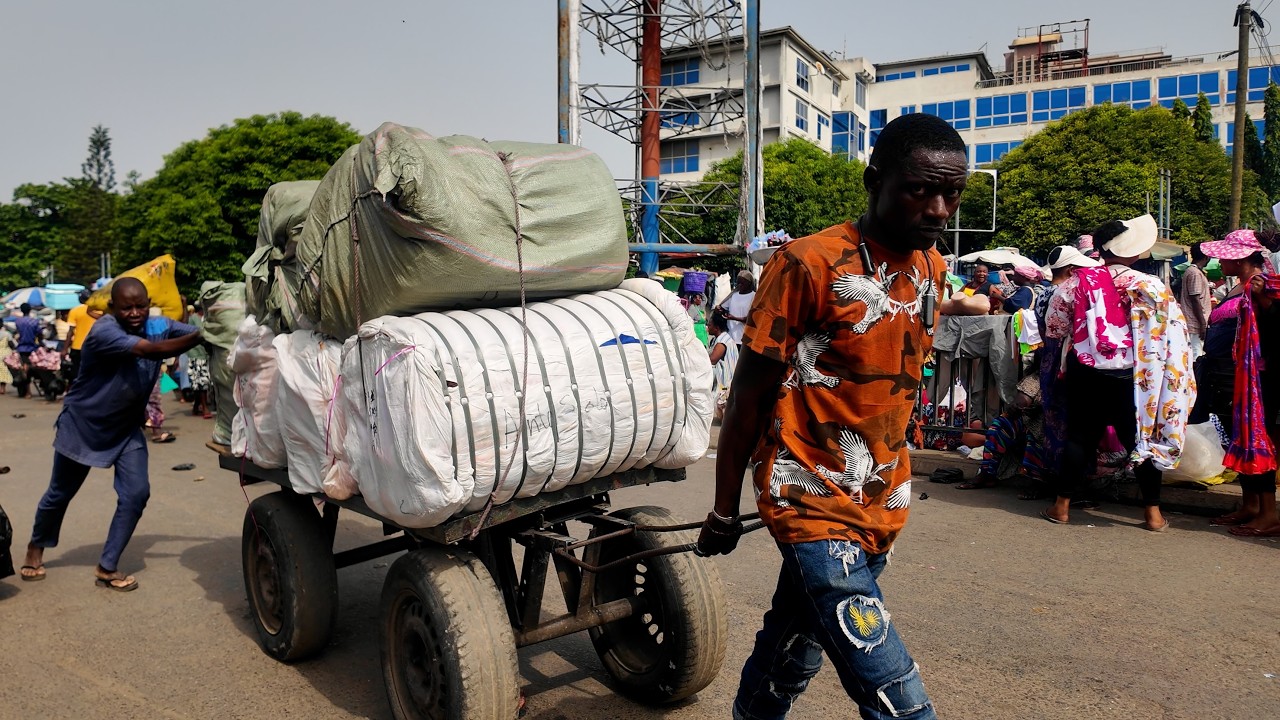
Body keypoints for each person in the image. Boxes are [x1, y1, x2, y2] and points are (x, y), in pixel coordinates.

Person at [697, 113, 962, 720]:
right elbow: (746, 397)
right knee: (895, 694)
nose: (940, 208)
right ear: (874, 181)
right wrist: (720, 507)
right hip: (809, 496)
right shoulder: (806, 265)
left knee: (796, 645)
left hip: (881, 497)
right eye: (920, 189)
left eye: (952, 193)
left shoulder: (931, 267)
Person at [20, 278, 201, 589]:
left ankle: (108, 565)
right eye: (126, 307)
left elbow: (195, 333)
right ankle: (36, 546)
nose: (135, 312)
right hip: (84, 426)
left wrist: (222, 328)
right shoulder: (105, 331)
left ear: (148, 303)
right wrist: (203, 335)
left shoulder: (157, 323)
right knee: (60, 493)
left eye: (140, 305)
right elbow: (153, 351)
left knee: (136, 494)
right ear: (113, 308)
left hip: (126, 428)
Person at [1040, 215, 1195, 531]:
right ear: (1134, 251)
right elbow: (1173, 333)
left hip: (1087, 372)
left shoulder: (1074, 283)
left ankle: (1062, 506)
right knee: (1141, 441)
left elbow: (1054, 329)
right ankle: (1152, 514)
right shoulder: (1150, 285)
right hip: (1136, 378)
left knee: (1080, 437)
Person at [1193, 230, 1280, 536]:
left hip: (1255, 380)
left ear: (1241, 258)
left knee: (1259, 439)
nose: (1218, 260)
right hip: (1230, 377)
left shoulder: (1264, 287)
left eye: (1224, 255)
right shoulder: (1239, 287)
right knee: (1239, 437)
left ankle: (1268, 513)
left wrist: (1265, 304)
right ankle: (1252, 506)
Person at [1179, 242, 1213, 362]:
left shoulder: (1195, 272)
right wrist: (1202, 325)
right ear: (1206, 257)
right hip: (1195, 324)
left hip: (1196, 322)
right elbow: (1195, 300)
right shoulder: (1195, 273)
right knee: (1196, 356)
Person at [706, 310, 739, 420]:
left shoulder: (722, 341)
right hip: (731, 379)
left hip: (726, 382)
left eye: (709, 325)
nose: (707, 327)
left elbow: (713, 360)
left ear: (716, 327)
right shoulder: (724, 338)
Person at [66, 291, 102, 386]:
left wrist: (65, 349)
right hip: (96, 346)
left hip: (78, 347)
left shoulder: (75, 311)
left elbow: (70, 332)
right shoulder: (99, 311)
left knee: (77, 373)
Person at [8, 303, 41, 398]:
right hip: (33, 348)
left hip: (22, 348)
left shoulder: (18, 321)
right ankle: (28, 391)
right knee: (31, 368)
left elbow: (18, 333)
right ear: (30, 310)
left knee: (23, 369)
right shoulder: (34, 321)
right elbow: (39, 333)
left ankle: (27, 391)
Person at [716, 270, 756, 346]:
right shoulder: (734, 296)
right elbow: (723, 309)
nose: (740, 285)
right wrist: (718, 310)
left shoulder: (754, 297)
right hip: (731, 339)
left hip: (746, 340)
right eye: (738, 283)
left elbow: (753, 319)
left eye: (742, 283)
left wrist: (735, 318)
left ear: (749, 283)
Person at [0, 325, 13, 395]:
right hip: (4, 354)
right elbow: (11, 344)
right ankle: (2, 388)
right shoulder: (7, 333)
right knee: (4, 371)